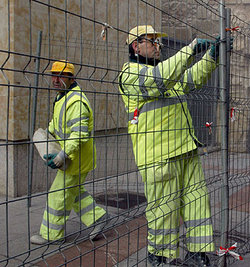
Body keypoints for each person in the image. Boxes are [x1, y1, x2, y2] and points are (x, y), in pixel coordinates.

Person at [119, 25, 222, 266]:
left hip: (185, 149)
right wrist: (189, 50)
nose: (158, 46)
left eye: (158, 42)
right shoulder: (131, 73)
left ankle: (198, 254)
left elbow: (192, 78)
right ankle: (160, 257)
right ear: (136, 46)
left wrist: (212, 56)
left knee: (198, 203)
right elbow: (158, 81)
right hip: (159, 157)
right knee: (164, 211)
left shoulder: (167, 73)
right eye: (152, 41)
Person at [30, 60, 107, 245]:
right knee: (73, 193)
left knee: (58, 195)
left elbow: (79, 134)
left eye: (61, 76)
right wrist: (47, 137)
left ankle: (52, 236)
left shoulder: (76, 101)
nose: (56, 80)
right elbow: (57, 124)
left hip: (75, 159)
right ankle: (98, 218)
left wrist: (62, 156)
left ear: (71, 78)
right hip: (74, 158)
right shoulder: (62, 97)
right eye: (53, 75)